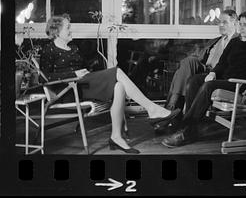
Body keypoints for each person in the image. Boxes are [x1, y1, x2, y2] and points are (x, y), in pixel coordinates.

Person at [39, 14, 180, 154]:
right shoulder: (49, 50)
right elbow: (44, 79)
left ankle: (116, 137)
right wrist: (73, 75)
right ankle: (153, 110)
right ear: (56, 31)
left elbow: (83, 68)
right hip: (68, 91)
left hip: (83, 85)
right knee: (117, 72)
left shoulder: (74, 47)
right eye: (68, 27)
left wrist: (89, 68)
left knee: (119, 87)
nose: (71, 30)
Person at [162, 10, 246, 148]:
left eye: (245, 24)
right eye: (240, 24)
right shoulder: (234, 42)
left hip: (242, 85)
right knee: (194, 80)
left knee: (208, 87)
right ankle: (190, 129)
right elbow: (222, 64)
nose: (241, 27)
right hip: (226, 79)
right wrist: (213, 73)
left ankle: (185, 130)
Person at [165, 9, 238, 111]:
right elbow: (200, 56)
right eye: (219, 22)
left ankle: (173, 105)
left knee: (183, 74)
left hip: (218, 73)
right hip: (204, 69)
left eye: (224, 22)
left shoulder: (238, 41)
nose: (220, 25)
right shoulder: (215, 40)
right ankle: (175, 105)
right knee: (188, 62)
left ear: (234, 23)